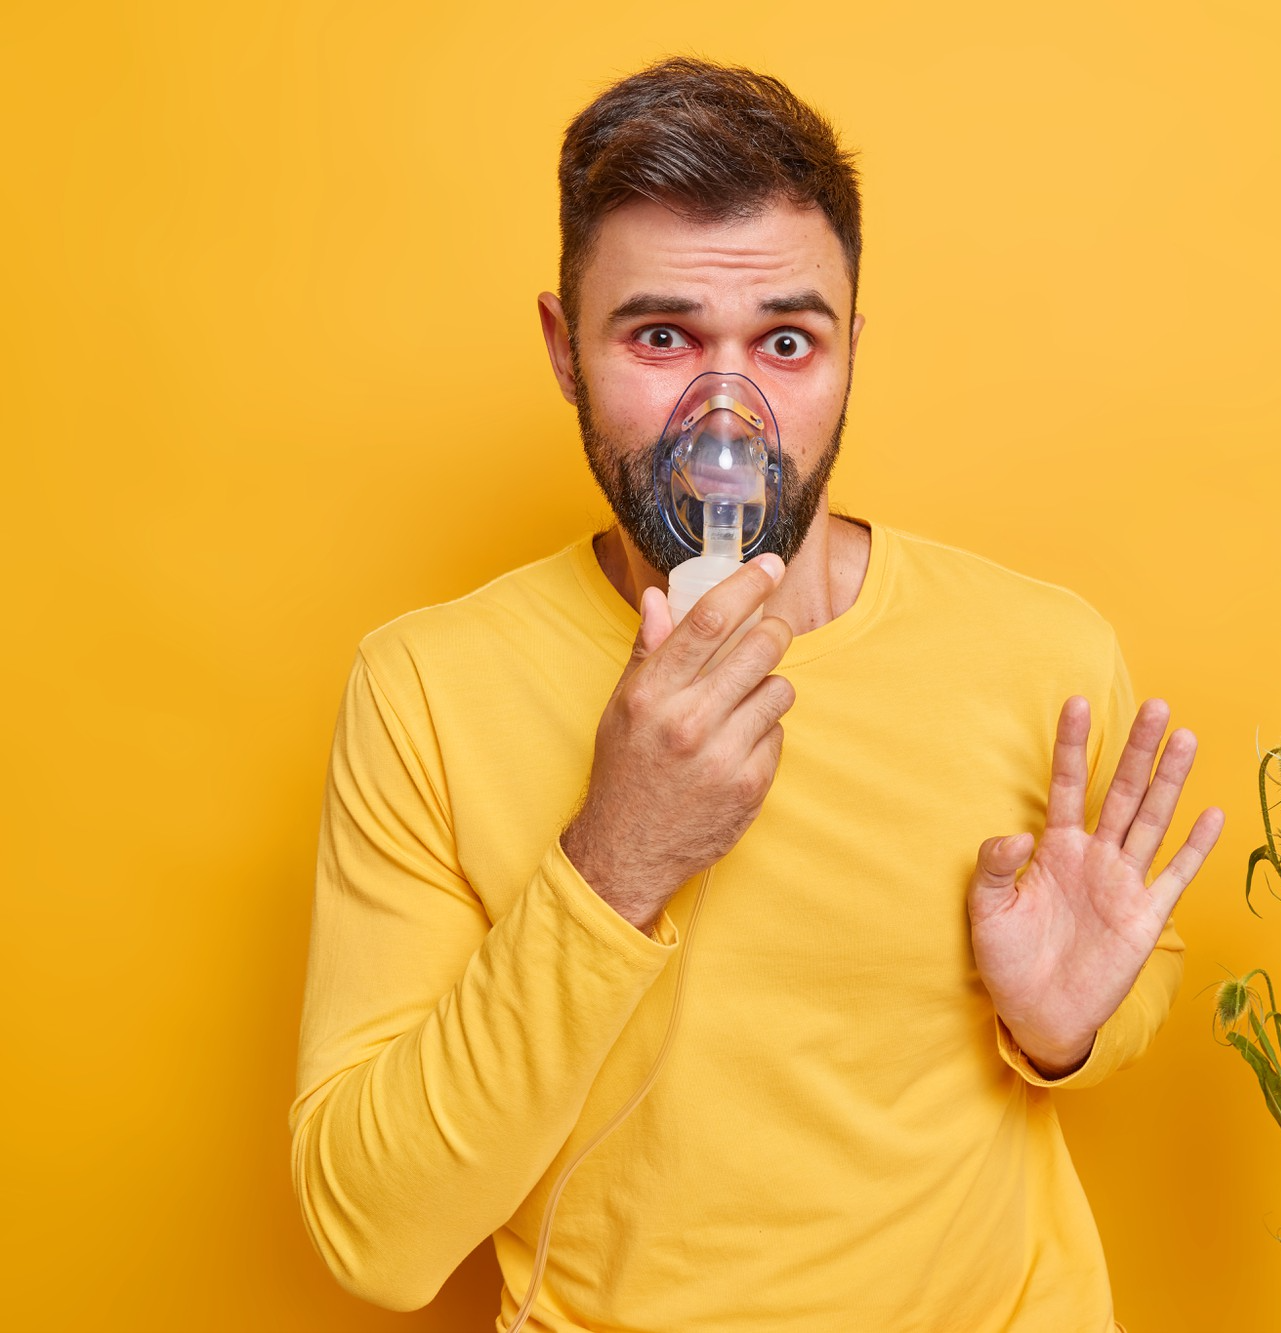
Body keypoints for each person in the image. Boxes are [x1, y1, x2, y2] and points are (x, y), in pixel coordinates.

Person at [289, 55, 1224, 1333]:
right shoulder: (425, 692)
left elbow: (1126, 965)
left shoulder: (1039, 650)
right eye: (661, 335)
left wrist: (1064, 1032)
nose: (725, 414)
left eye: (785, 340)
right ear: (565, 349)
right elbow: (372, 1238)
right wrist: (614, 858)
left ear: (850, 349)